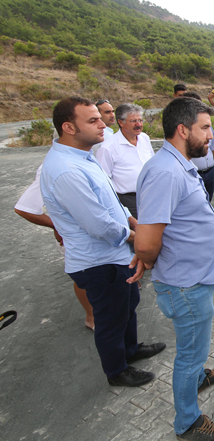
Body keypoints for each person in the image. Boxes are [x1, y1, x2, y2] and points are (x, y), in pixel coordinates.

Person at [39, 97, 165, 388]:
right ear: (69, 127)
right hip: (98, 262)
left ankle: (130, 350)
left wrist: (132, 221)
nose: (102, 124)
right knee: (110, 318)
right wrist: (137, 237)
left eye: (100, 117)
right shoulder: (66, 170)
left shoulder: (83, 156)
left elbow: (111, 201)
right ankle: (116, 371)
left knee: (128, 303)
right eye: (93, 120)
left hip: (115, 254)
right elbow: (98, 224)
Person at [135, 96, 214, 441]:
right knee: (190, 355)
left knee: (195, 349)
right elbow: (147, 242)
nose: (211, 136)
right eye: (205, 128)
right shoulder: (165, 172)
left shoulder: (177, 165)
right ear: (182, 130)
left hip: (195, 277)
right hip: (185, 285)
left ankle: (198, 379)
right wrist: (147, 259)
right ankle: (187, 422)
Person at [14, 165, 95, 331]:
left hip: (96, 231)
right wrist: (56, 225)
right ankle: (92, 317)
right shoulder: (51, 167)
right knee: (85, 275)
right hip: (75, 236)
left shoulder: (88, 160)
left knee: (99, 275)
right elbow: (25, 208)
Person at [96, 103, 155, 219]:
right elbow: (103, 182)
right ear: (121, 122)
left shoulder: (144, 138)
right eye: (133, 121)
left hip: (150, 196)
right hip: (128, 201)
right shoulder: (108, 148)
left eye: (140, 120)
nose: (138, 124)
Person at [182, 92, 214, 201]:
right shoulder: (182, 130)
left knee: (208, 202)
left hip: (211, 171)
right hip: (194, 174)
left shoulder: (206, 125)